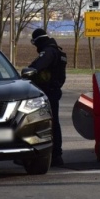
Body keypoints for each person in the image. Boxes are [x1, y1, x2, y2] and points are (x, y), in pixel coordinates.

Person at [28, 28, 68, 166]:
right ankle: (57, 155)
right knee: (53, 123)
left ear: (38, 40)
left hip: (47, 93)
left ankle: (52, 155)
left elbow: (35, 67)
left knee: (43, 124)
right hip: (54, 91)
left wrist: (27, 72)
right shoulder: (56, 50)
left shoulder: (48, 52)